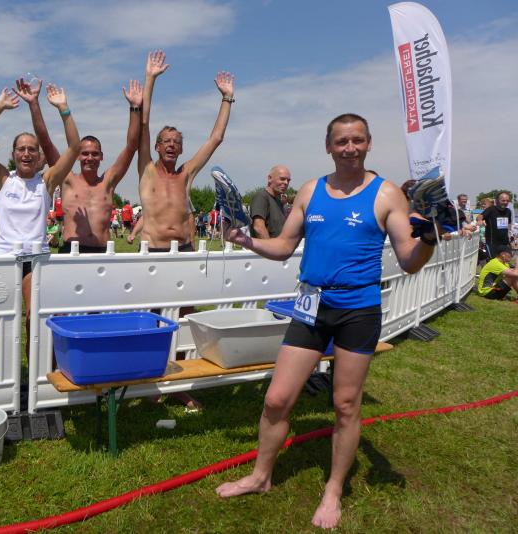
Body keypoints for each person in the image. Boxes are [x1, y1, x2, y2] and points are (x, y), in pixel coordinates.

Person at [215, 113, 443, 530]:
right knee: (276, 399)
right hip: (311, 306)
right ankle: (261, 477)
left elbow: (410, 260)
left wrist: (428, 237)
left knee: (345, 404)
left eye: (357, 140)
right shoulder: (310, 190)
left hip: (358, 309)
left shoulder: (387, 194)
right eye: (341, 141)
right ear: (328, 146)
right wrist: (245, 240)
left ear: (368, 143)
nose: (349, 148)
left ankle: (334, 490)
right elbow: (284, 246)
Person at [0, 84, 80, 342]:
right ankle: (4, 370)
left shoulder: (47, 181)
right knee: (2, 326)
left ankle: (35, 368)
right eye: (21, 149)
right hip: (5, 258)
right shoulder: (2, 178)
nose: (27, 153)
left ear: (39, 156)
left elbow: (75, 147)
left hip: (36, 259)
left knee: (34, 321)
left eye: (32, 149)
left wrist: (63, 108)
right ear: (13, 154)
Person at [14, 76, 143, 253]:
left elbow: (131, 146)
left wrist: (135, 107)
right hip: (71, 251)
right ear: (76, 157)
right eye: (85, 153)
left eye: (95, 154)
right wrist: (33, 104)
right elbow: (45, 142)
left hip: (102, 252)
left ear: (101, 157)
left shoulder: (108, 182)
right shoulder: (67, 179)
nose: (90, 158)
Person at [136, 50, 234, 253]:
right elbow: (143, 124)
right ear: (157, 147)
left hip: (184, 249)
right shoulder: (147, 170)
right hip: (152, 250)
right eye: (166, 141)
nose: (171, 145)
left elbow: (216, 139)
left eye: (176, 142)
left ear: (181, 149)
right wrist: (150, 78)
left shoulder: (186, 174)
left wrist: (227, 98)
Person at [250, 165, 292, 238]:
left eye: (288, 180)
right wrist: (269, 245)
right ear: (269, 178)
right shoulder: (262, 197)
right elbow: (258, 227)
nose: (286, 183)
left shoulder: (278, 201)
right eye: (282, 179)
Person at [481, 191, 513, 258]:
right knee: (493, 261)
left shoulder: (508, 211)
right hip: (492, 243)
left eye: (507, 201)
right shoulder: (491, 209)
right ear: (497, 201)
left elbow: (509, 223)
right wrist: (479, 220)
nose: (505, 202)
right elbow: (480, 216)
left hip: (504, 242)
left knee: (506, 260)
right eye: (503, 200)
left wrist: (510, 234)